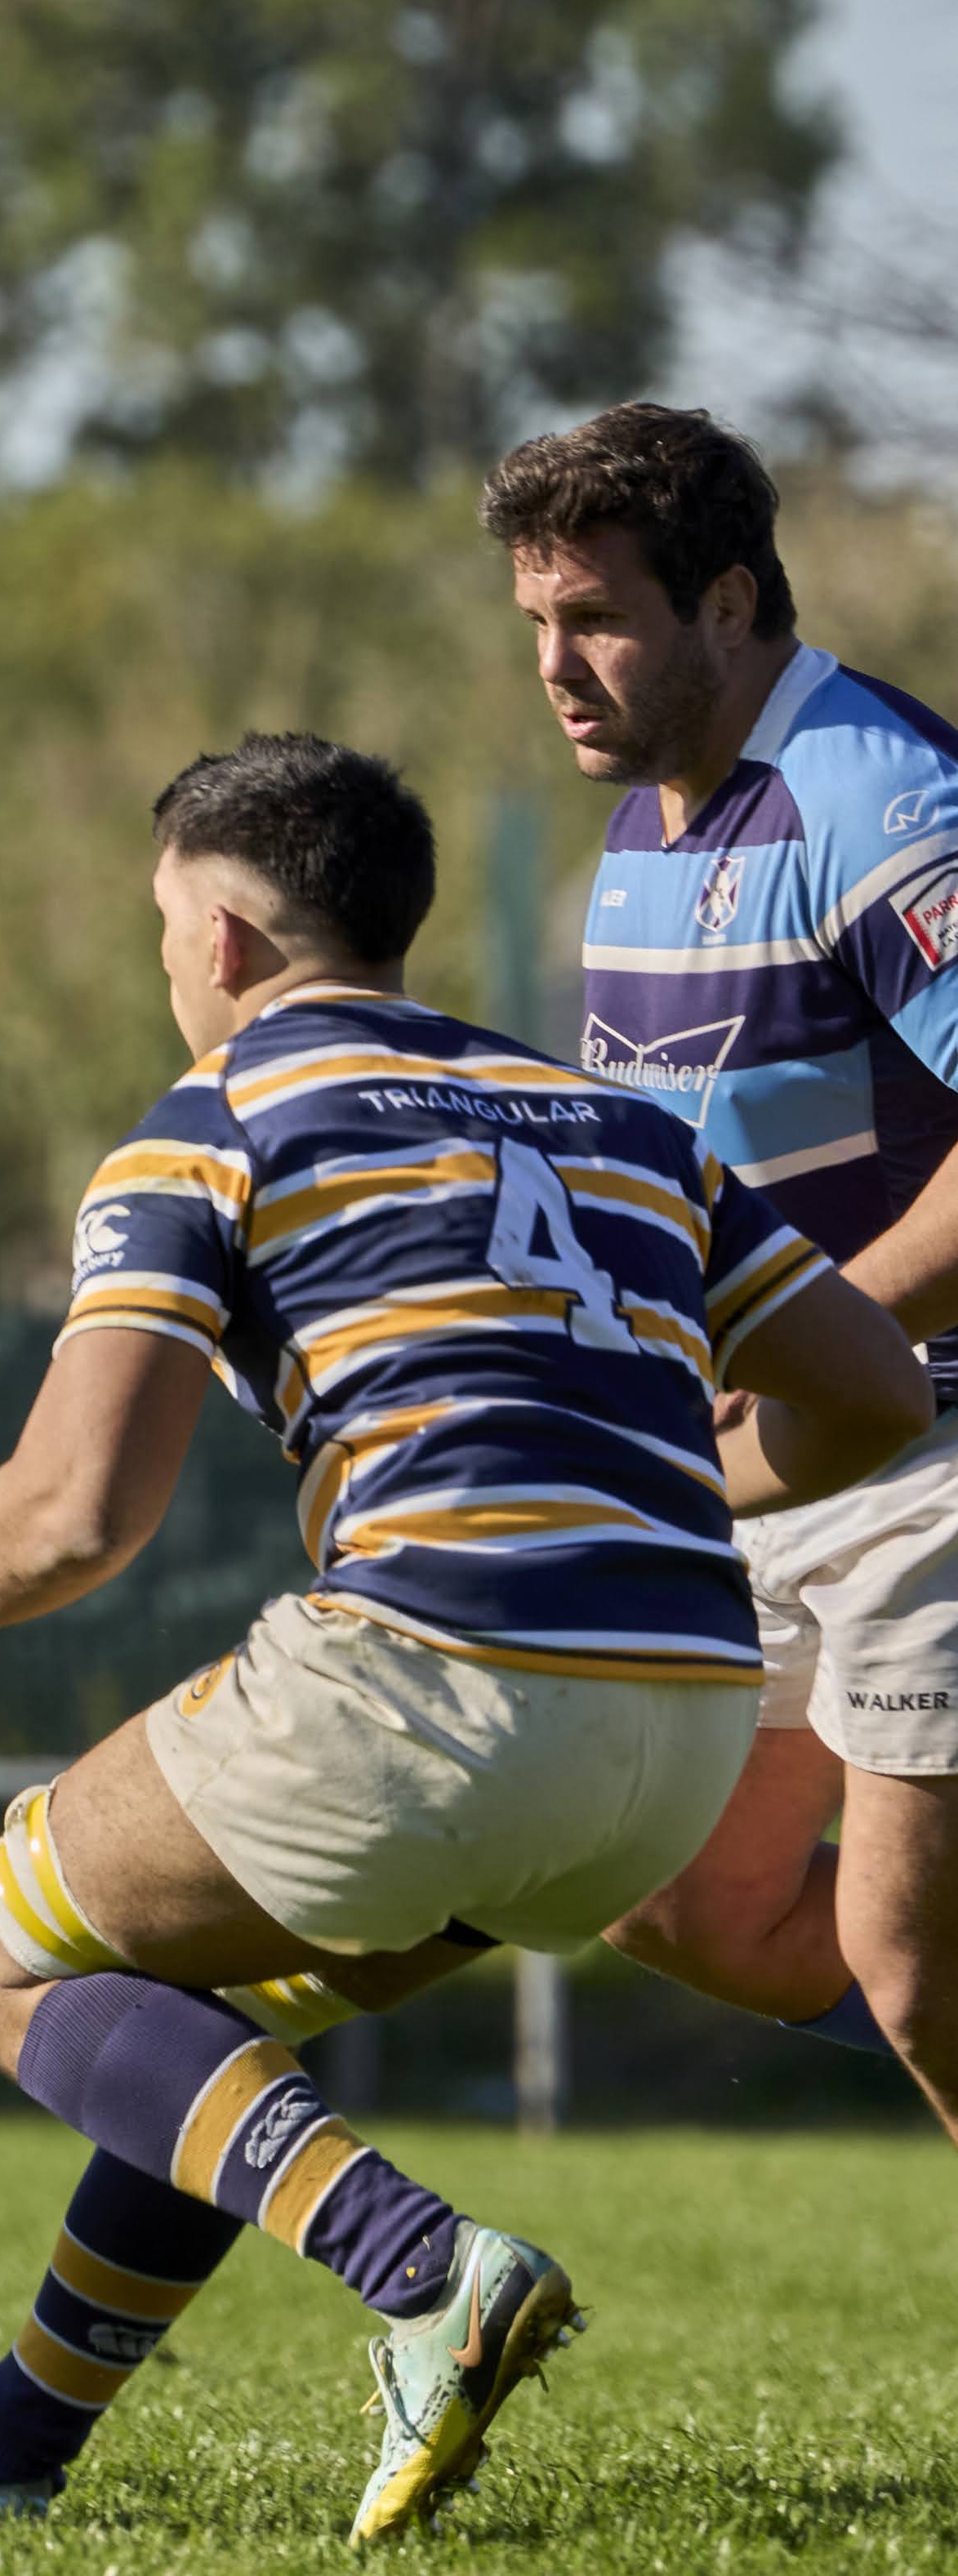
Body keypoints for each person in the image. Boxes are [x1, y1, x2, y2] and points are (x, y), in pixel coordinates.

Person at [0, 735, 926, 2539]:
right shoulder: (619, 1123)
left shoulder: (213, 1116)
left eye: (162, 925)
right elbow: (869, 1397)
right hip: (679, 1729)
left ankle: (426, 2268)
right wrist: (671, 1488)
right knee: (196, 2032)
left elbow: (79, 1513)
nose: (165, 963)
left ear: (225, 937)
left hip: (432, 1683)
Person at [485, 403, 958, 2107]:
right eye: (537, 621)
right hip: (763, 1454)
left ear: (734, 602)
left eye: (597, 616)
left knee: (917, 1961)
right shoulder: (643, 831)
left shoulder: (882, 797)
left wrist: (815, 1329)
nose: (557, 662)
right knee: (678, 1891)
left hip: (929, 1443)